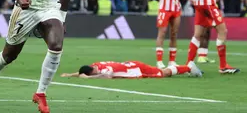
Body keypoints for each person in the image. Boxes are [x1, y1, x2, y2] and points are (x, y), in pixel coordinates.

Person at [60, 60, 202, 79]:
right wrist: (71, 74)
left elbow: (106, 76)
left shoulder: (104, 71)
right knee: (161, 71)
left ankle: (189, 67)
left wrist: (88, 78)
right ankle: (182, 67)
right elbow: (85, 71)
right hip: (133, 64)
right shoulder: (96, 64)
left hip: (136, 70)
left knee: (163, 73)